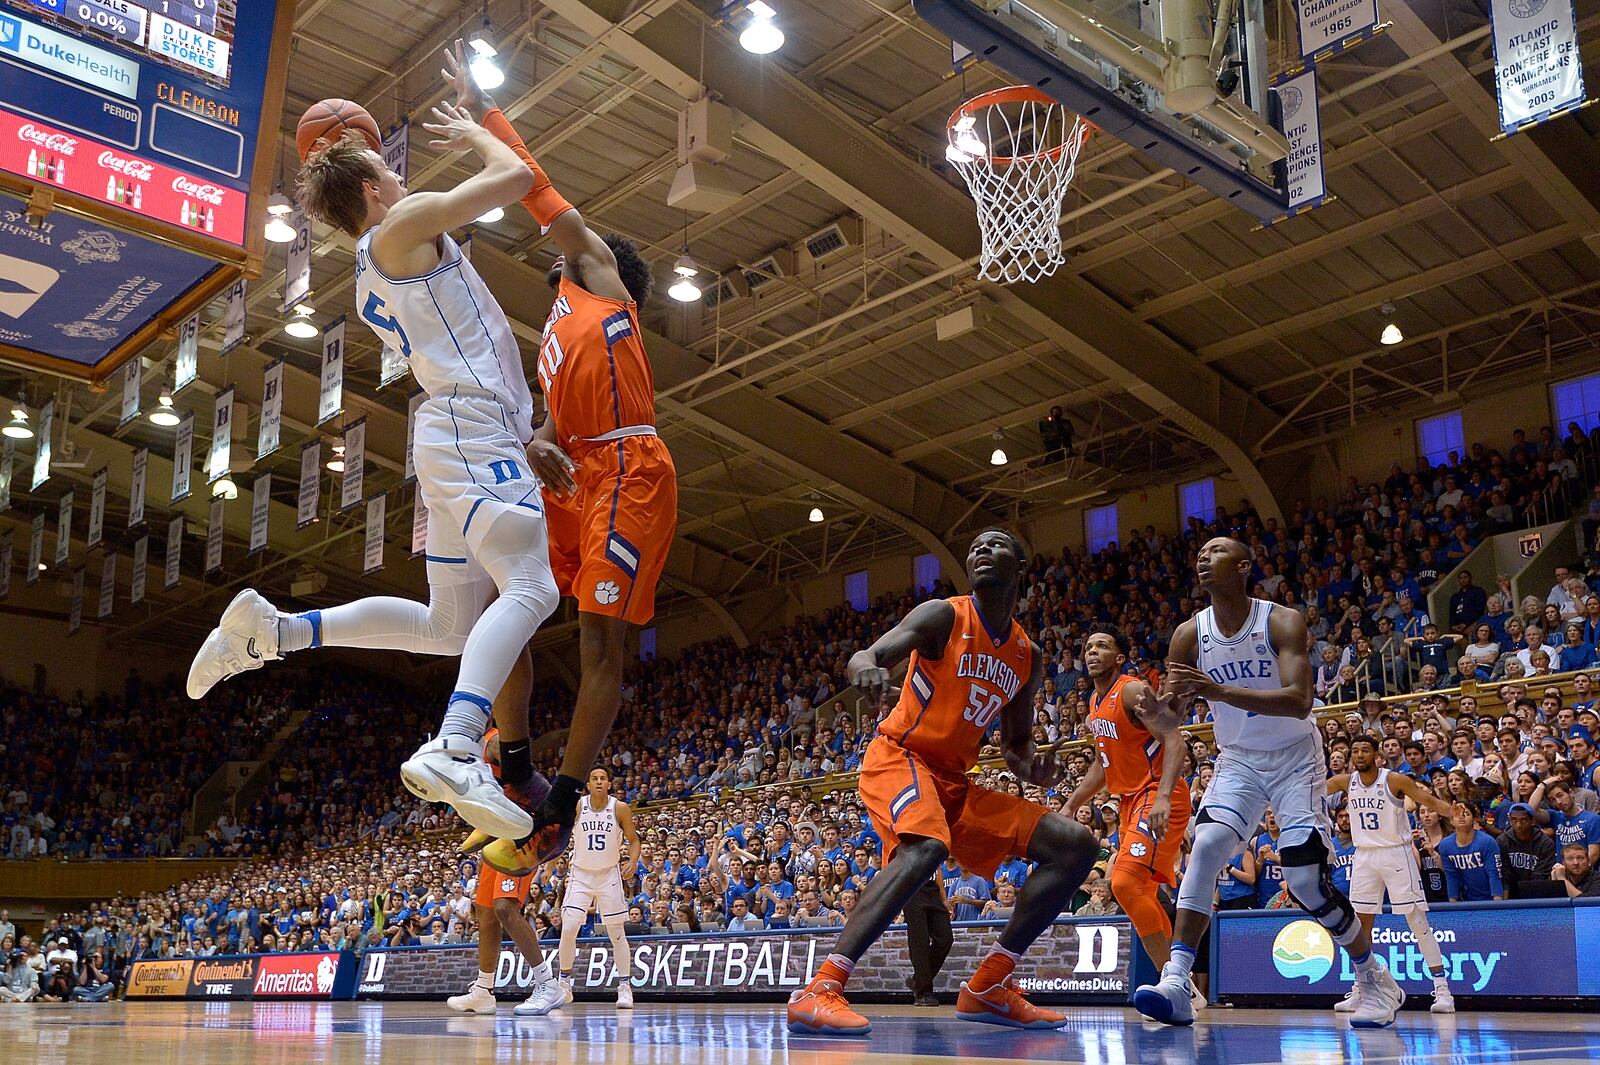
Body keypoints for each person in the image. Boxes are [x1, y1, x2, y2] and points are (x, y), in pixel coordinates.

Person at [186, 78, 560, 841]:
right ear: (369, 188)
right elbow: (520, 179)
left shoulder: (372, 265)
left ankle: (276, 632)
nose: (401, 176)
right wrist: (478, 129)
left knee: (450, 625)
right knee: (532, 586)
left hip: (462, 432)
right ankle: (458, 743)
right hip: (469, 429)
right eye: (388, 172)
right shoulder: (402, 224)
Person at [443, 43, 679, 872]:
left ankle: (561, 806)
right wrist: (542, 442)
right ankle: (512, 771)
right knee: (508, 594)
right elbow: (550, 423)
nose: (554, 253)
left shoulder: (602, 283)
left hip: (631, 471)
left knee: (597, 646)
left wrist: (484, 121)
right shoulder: (552, 328)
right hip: (578, 473)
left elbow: (542, 193)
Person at [786, 530, 1099, 1034]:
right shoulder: (944, 615)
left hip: (955, 780)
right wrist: (865, 672)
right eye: (976, 546)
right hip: (899, 757)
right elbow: (864, 657)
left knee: (1075, 844)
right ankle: (820, 987)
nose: (980, 550)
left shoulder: (1027, 655)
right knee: (926, 847)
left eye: (996, 544)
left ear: (1020, 564)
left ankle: (990, 985)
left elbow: (1016, 746)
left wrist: (1033, 767)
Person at [1134, 537, 1404, 1029]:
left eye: (1214, 551)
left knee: (1304, 881)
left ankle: (1373, 978)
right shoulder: (1187, 635)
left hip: (1296, 757)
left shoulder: (1281, 620)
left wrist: (1218, 691)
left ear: (1242, 566)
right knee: (1207, 846)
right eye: (1198, 552)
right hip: (1238, 758)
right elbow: (1174, 713)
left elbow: (1300, 700)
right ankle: (1177, 979)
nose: (1200, 557)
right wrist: (1159, 715)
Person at [1064, 625, 1193, 985]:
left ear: (1119, 658)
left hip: (1158, 794)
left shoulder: (1132, 690)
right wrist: (1071, 805)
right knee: (1141, 892)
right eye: (1089, 646)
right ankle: (1180, 985)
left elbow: (1175, 741)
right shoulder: (1094, 703)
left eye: (1102, 646)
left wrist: (1164, 797)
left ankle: (1176, 981)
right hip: (1130, 802)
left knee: (1122, 884)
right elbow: (1103, 765)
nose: (1092, 652)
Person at [1327, 735, 1466, 1015]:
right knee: (1360, 926)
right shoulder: (1344, 781)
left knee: (1416, 920)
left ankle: (1442, 990)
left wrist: (1452, 811)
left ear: (1377, 755)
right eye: (1355, 751)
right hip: (1364, 855)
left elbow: (1426, 799)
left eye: (1365, 750)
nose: (1359, 755)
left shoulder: (1394, 780)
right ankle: (1363, 989)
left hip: (1396, 852)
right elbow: (1312, 787)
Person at [448, 731, 564, 1017]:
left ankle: (548, 984)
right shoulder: (470, 750)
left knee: (505, 907)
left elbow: (510, 752)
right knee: (485, 912)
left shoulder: (494, 739)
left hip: (523, 831)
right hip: (498, 832)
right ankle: (484, 991)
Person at [555, 768, 640, 1009]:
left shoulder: (619, 808)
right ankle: (565, 983)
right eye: (595, 778)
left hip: (609, 874)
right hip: (580, 874)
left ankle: (624, 986)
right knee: (569, 927)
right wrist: (550, 865)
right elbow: (561, 835)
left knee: (616, 932)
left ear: (609, 784)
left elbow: (633, 840)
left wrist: (632, 862)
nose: (599, 781)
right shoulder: (578, 806)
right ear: (588, 784)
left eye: (603, 778)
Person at [901, 874, 953, 1008]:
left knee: (945, 939)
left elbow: (938, 868)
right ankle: (923, 993)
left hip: (932, 891)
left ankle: (917, 981)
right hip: (911, 889)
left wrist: (944, 898)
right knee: (920, 943)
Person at [1436, 806, 1504, 901]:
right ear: (1451, 821)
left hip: (1488, 899)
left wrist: (1497, 905)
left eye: (1466, 814)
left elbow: (1494, 874)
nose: (1461, 817)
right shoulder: (1445, 845)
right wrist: (1453, 905)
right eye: (1457, 815)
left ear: (1474, 819)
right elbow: (1451, 876)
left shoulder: (1488, 842)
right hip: (1464, 901)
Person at [1498, 802, 1558, 896]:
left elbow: (1542, 874)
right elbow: (1505, 874)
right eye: (1514, 820)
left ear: (1532, 821)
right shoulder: (1502, 841)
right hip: (1511, 891)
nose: (1518, 824)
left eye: (1523, 820)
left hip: (1537, 890)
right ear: (1509, 820)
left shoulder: (1545, 843)